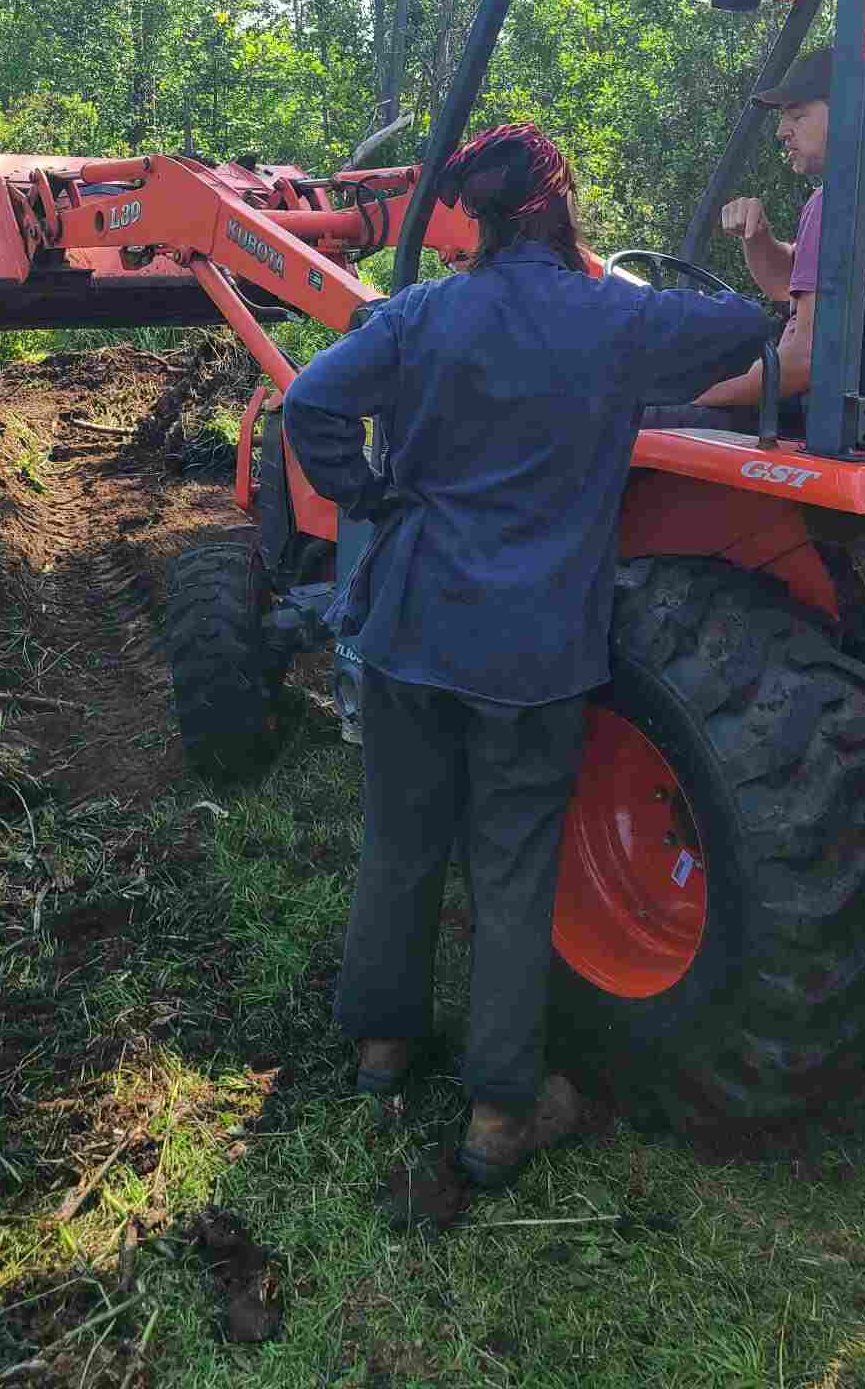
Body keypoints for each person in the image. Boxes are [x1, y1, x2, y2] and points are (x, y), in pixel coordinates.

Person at [281, 123, 771, 1192]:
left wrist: (367, 492)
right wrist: (777, 259)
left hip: (413, 628)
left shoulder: (422, 312)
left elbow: (309, 398)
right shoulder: (618, 318)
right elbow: (744, 329)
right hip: (533, 652)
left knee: (402, 841)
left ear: (480, 217)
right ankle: (501, 1111)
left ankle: (381, 1048)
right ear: (560, 207)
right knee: (511, 872)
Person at [692, 45, 865, 417]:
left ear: (848, 113)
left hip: (820, 413)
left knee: (648, 420)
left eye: (797, 116)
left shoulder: (840, 203)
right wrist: (759, 237)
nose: (782, 131)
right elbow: (786, 287)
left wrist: (698, 399)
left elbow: (805, 363)